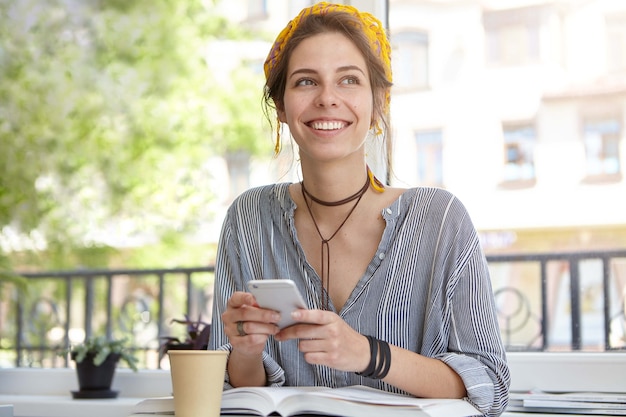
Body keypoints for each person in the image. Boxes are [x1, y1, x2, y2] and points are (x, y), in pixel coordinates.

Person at [209, 2, 510, 416]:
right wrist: (244, 350)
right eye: (305, 82)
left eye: (349, 80)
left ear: (378, 103)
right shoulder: (247, 218)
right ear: (281, 106)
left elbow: (489, 385)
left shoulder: (439, 219)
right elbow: (233, 391)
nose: (327, 99)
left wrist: (368, 354)